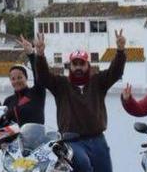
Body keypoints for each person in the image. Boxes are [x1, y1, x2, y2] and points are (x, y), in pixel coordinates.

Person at [34, 30, 127, 172]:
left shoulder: (98, 81)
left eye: (81, 63)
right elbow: (43, 77)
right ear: (69, 66)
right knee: (83, 164)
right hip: (71, 141)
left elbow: (115, 72)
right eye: (74, 64)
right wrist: (40, 55)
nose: (78, 67)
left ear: (87, 65)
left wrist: (120, 51)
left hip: (97, 139)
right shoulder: (60, 84)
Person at [3, 35, 45, 126]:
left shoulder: (37, 92)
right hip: (16, 140)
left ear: (26, 78)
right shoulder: (8, 101)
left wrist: (31, 55)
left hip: (37, 139)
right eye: (13, 79)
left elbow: (38, 74)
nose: (16, 81)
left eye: (19, 77)